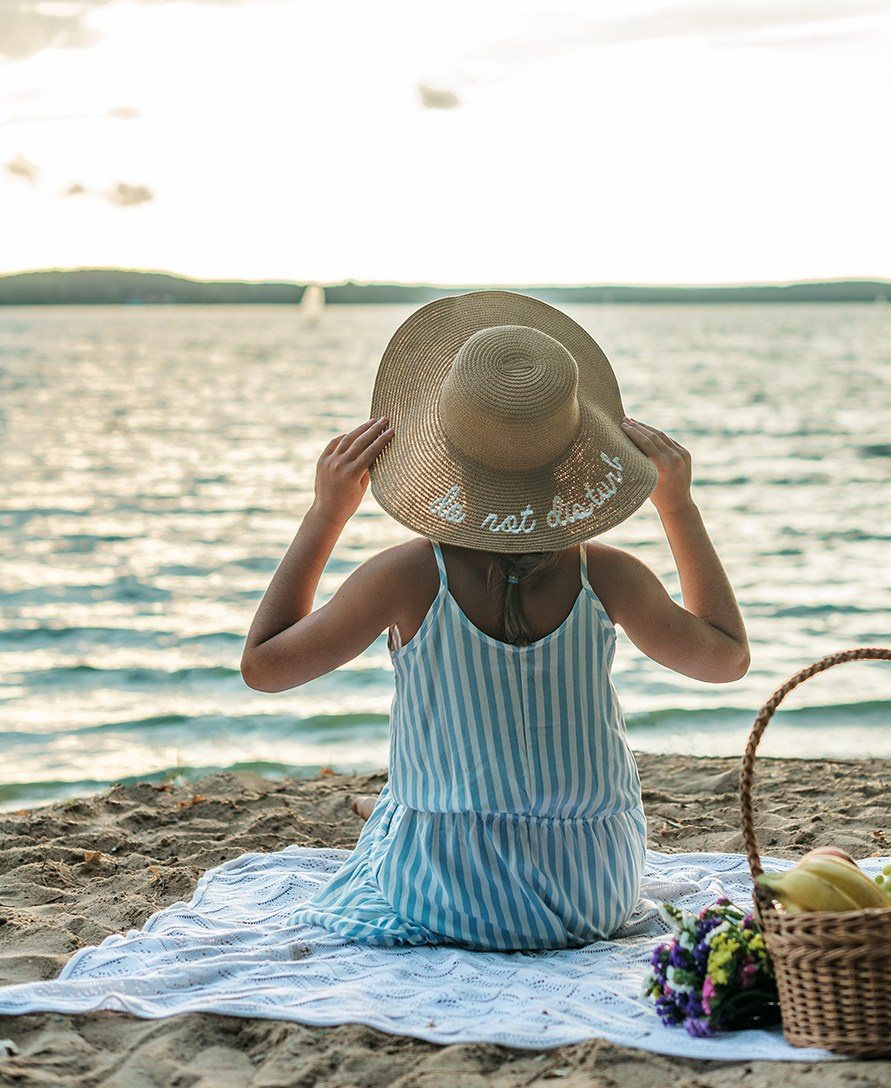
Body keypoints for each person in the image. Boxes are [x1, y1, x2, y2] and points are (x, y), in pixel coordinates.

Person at [241, 291, 749, 952]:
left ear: (443, 447)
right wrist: (678, 507)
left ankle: (393, 814)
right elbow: (727, 657)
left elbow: (264, 667)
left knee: (403, 806)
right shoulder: (611, 575)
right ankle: (393, 809)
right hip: (593, 889)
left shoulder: (404, 576)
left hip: (450, 897)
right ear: (574, 450)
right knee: (409, 799)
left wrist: (327, 513)